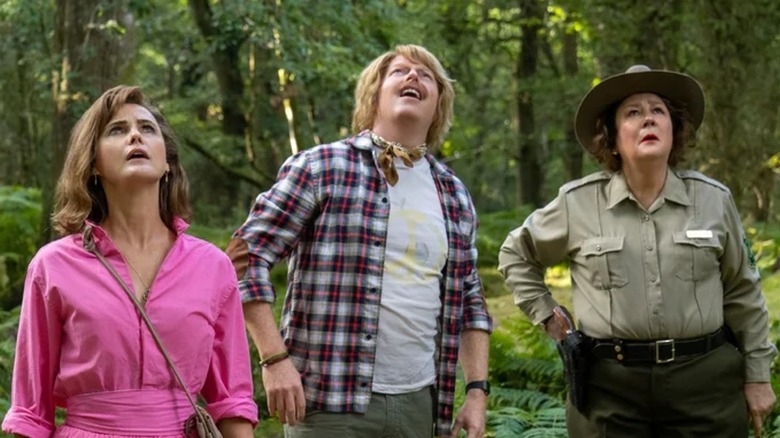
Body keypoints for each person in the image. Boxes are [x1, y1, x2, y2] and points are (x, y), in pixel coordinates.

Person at [227, 44, 492, 438]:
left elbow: (470, 300)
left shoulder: (453, 195)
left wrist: (476, 393)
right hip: (327, 403)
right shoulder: (322, 168)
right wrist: (273, 359)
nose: (413, 77)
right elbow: (245, 258)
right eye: (399, 71)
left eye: (426, 75)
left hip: (420, 403)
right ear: (374, 94)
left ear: (439, 104)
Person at [498, 65, 777, 437]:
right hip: (608, 391)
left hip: (705, 387)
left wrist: (758, 376)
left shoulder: (713, 200)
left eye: (658, 111)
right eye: (633, 113)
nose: (648, 118)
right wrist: (547, 315)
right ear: (612, 139)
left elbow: (744, 291)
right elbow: (516, 253)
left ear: (674, 131)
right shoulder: (577, 203)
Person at [1, 85, 258, 437]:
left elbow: (232, 401)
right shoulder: (53, 266)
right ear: (92, 164)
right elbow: (31, 413)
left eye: (147, 128)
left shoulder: (212, 266)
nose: (135, 135)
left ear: (166, 162)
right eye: (117, 130)